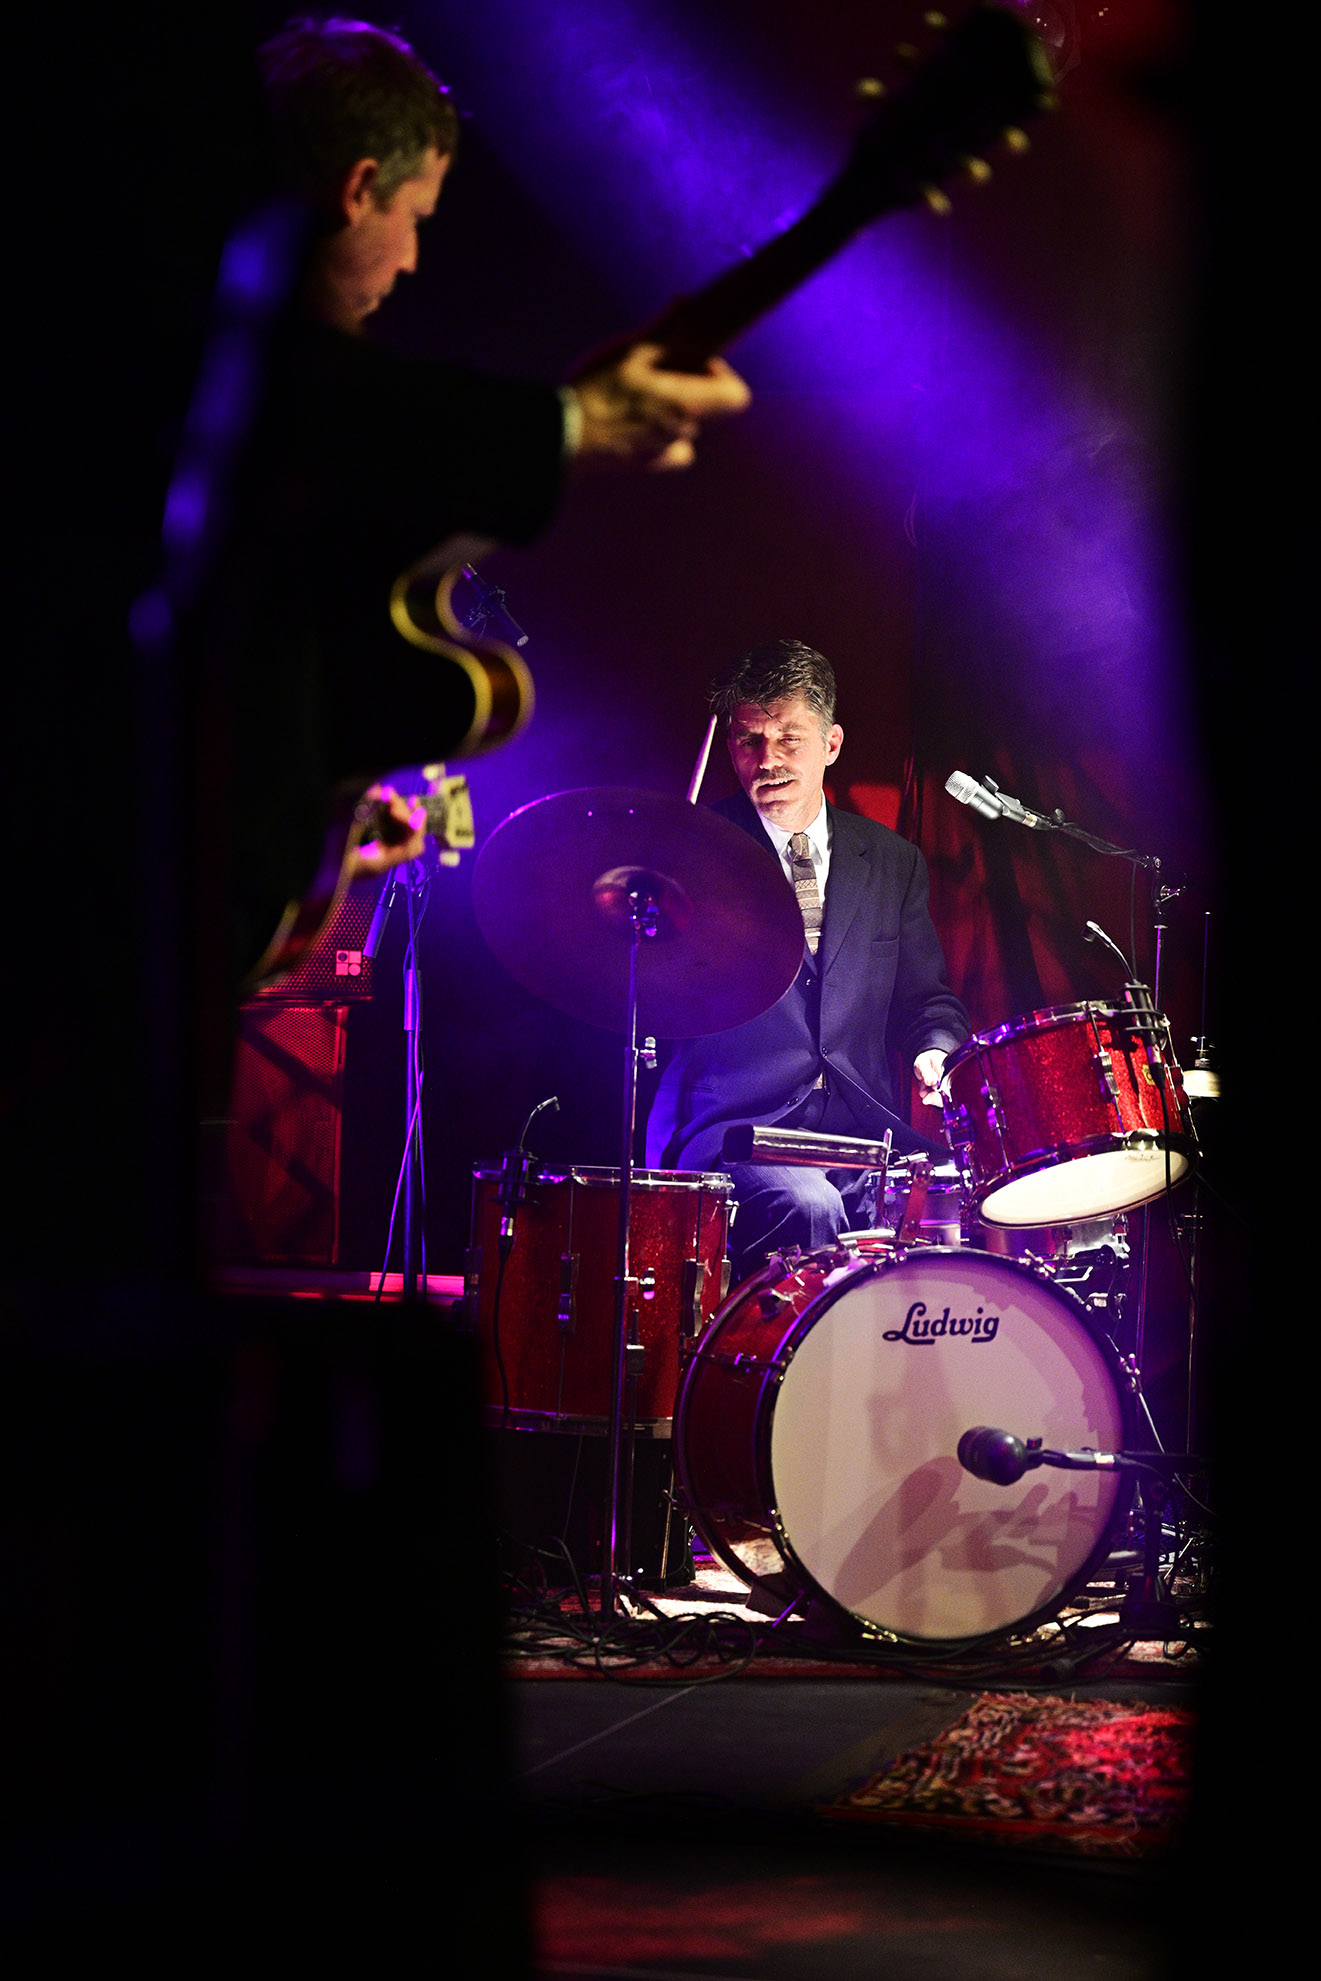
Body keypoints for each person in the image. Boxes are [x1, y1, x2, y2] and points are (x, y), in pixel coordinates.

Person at [211, 15, 750, 984]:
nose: (412, 259)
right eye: (415, 217)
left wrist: (322, 831)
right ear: (358, 189)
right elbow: (341, 409)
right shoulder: (259, 387)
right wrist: (573, 422)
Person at [646, 639, 970, 1282]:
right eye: (749, 741)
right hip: (738, 1128)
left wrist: (934, 1050)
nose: (767, 760)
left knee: (956, 1205)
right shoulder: (695, 852)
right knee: (808, 1208)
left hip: (863, 1133)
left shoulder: (893, 861)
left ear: (832, 744)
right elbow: (652, 994)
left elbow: (926, 1001)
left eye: (788, 739)